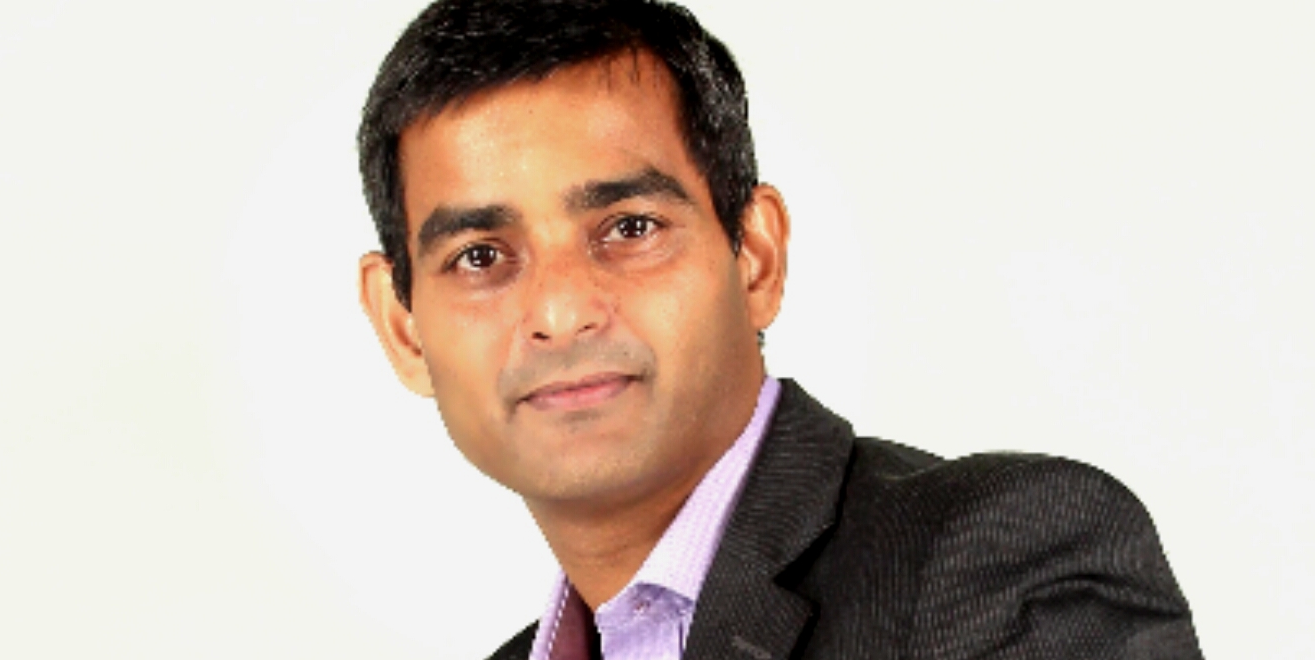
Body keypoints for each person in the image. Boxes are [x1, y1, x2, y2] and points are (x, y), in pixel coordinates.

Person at [353, 1, 1203, 658]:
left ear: (755, 258)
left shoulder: (995, 560)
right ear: (404, 328)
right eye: (479, 256)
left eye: (630, 228)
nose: (560, 310)